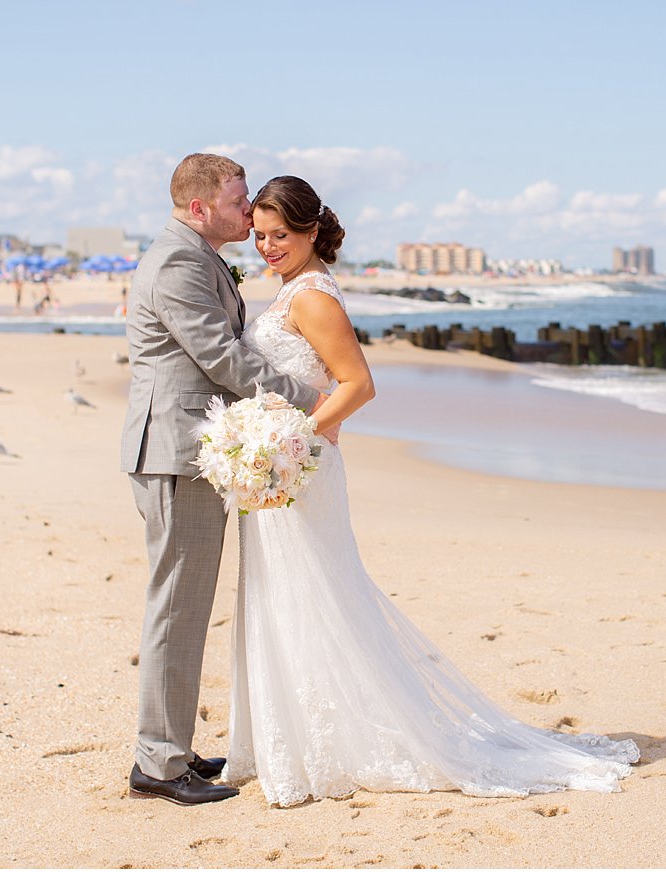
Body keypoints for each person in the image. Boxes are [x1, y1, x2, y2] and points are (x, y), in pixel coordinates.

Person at [226, 176, 639, 807]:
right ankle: (304, 737)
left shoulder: (311, 298)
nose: (267, 247)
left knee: (317, 594)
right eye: (259, 236)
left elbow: (358, 385)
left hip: (297, 469)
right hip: (286, 469)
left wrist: (293, 442)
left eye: (280, 235)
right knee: (292, 593)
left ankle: (330, 740)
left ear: (311, 231)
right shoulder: (290, 290)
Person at [119, 152, 329, 807]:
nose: (249, 212)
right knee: (177, 610)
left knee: (185, 608)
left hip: (188, 451)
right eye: (240, 201)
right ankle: (157, 763)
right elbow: (220, 354)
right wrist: (307, 396)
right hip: (175, 452)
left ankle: (170, 750)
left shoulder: (195, 253)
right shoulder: (179, 261)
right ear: (201, 206)